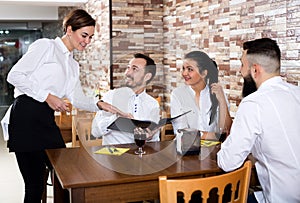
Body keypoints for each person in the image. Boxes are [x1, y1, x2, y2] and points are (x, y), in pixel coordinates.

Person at [1, 9, 125, 203]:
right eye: (84, 35)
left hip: (45, 119)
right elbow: (14, 76)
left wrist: (100, 104)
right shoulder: (46, 46)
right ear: (69, 29)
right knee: (34, 185)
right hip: (25, 115)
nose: (87, 41)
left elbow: (76, 98)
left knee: (65, 176)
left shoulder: (73, 65)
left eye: (91, 37)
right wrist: (48, 96)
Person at [217, 38, 300, 203]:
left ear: (255, 70)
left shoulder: (253, 103)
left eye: (242, 65)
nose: (240, 72)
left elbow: (228, 162)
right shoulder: (296, 92)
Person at [91, 53, 160, 145]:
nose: (127, 73)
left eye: (134, 69)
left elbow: (155, 140)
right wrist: (116, 118)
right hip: (113, 156)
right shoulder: (111, 96)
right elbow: (95, 132)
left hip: (139, 155)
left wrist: (150, 137)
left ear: (147, 76)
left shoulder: (153, 104)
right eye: (128, 68)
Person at [170, 51, 232, 136]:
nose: (184, 73)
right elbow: (182, 132)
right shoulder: (178, 94)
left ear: (204, 73)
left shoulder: (217, 93)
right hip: (187, 148)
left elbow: (226, 131)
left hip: (215, 148)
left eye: (190, 69)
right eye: (183, 68)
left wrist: (222, 101)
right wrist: (213, 136)